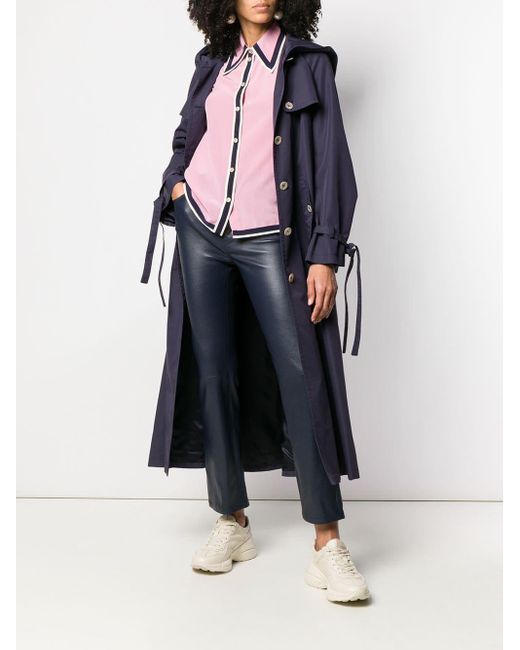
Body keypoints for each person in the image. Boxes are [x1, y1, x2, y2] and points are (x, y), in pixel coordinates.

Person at [141, 0, 369, 603]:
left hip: (274, 238)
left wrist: (324, 254)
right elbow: (190, 133)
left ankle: (327, 543)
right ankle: (232, 520)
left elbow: (332, 161)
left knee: (302, 375)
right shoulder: (211, 62)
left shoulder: (307, 63)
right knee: (213, 374)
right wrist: (175, 184)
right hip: (203, 231)